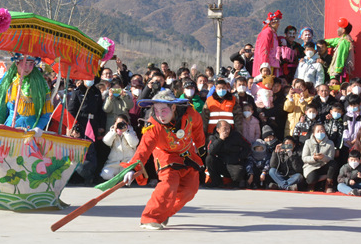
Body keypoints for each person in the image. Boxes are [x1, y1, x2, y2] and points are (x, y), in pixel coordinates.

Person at [123, 89, 206, 230]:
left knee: (190, 189)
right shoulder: (153, 126)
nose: (160, 115)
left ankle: (164, 213)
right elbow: (144, 149)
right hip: (165, 155)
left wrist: (201, 146)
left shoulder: (191, 114)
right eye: (156, 110)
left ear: (173, 107)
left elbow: (197, 128)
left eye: (163, 110)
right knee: (169, 184)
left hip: (187, 153)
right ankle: (149, 218)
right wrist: (133, 168)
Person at [0, 54, 54, 131]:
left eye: (31, 64)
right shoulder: (9, 81)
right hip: (10, 128)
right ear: (16, 63)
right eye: (24, 63)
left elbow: (47, 112)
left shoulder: (41, 84)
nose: (27, 68)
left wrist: (38, 127)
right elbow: (0, 108)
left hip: (31, 131)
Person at [205, 120, 251, 188]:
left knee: (238, 175)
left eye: (228, 128)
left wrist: (240, 157)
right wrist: (220, 139)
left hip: (233, 162)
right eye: (224, 129)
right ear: (218, 130)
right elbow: (210, 151)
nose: (227, 131)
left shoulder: (236, 135)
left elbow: (248, 146)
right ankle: (216, 181)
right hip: (220, 163)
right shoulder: (213, 137)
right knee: (209, 159)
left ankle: (234, 183)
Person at [100, 115, 139, 180]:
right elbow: (106, 141)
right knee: (105, 174)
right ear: (115, 123)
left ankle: (124, 179)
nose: (120, 125)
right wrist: (114, 131)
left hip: (127, 163)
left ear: (127, 123)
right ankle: (117, 181)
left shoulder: (131, 131)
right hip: (114, 163)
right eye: (118, 123)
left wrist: (126, 132)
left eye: (123, 123)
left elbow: (134, 143)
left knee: (129, 176)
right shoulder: (112, 131)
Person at [302, 123, 338, 193]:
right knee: (311, 179)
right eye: (318, 131)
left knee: (333, 164)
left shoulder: (330, 143)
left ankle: (328, 184)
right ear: (314, 133)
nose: (320, 133)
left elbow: (331, 158)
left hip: (323, 165)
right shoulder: (308, 142)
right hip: (311, 166)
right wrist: (314, 158)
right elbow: (304, 158)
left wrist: (323, 157)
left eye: (322, 131)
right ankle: (312, 184)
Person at [252, 10, 282, 77]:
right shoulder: (267, 32)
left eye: (278, 21)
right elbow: (264, 49)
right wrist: (264, 64)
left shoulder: (273, 33)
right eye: (275, 21)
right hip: (267, 64)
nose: (278, 23)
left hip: (272, 63)